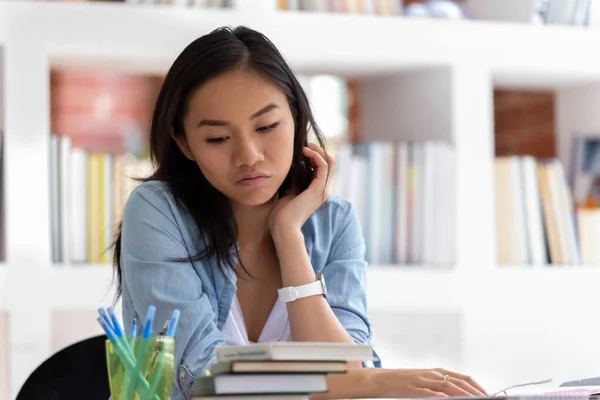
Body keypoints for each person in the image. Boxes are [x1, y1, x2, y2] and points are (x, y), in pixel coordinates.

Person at [112, 25, 488, 400]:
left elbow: (348, 374)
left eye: (267, 126)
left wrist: (289, 234)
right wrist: (371, 381)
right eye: (218, 138)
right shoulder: (158, 212)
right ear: (185, 143)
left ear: (296, 119)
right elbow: (200, 380)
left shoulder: (333, 222)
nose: (249, 156)